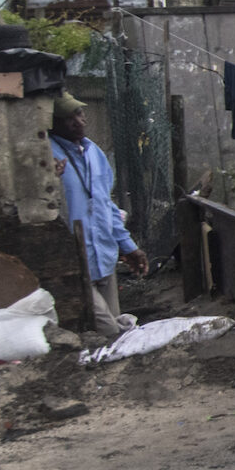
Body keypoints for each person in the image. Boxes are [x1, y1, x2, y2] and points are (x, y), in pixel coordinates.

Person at [49, 91, 147, 339]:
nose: (79, 121)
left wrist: (127, 246)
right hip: (75, 264)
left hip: (103, 259)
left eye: (79, 113)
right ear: (52, 123)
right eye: (69, 118)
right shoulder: (48, 155)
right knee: (111, 332)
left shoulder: (94, 153)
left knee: (115, 331)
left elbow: (107, 206)